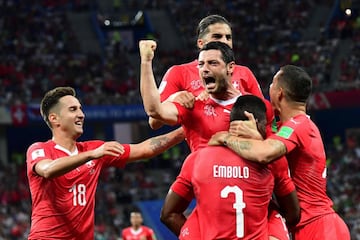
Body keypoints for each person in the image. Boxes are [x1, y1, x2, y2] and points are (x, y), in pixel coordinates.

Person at [140, 40, 297, 240]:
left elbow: (272, 150)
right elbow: (155, 111)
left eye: (212, 64)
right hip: (210, 198)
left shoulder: (257, 106)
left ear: (231, 68)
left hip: (254, 198)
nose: (204, 69)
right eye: (201, 64)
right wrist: (146, 62)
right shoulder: (192, 105)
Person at [209, 65, 351, 240]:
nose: (269, 88)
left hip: (320, 227)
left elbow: (264, 153)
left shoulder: (300, 125)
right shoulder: (286, 128)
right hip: (305, 227)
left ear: (279, 93)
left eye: (272, 83)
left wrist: (225, 138)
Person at [26, 86, 185, 240]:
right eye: (73, 109)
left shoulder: (94, 148)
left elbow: (144, 149)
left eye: (80, 109)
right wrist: (92, 154)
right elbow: (48, 170)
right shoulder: (39, 149)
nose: (81, 114)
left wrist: (185, 131)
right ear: (54, 118)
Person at [160, 95, 299, 239]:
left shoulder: (196, 159)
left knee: (197, 216)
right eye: (266, 125)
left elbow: (168, 215)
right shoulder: (272, 160)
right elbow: (293, 215)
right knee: (274, 214)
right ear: (257, 123)